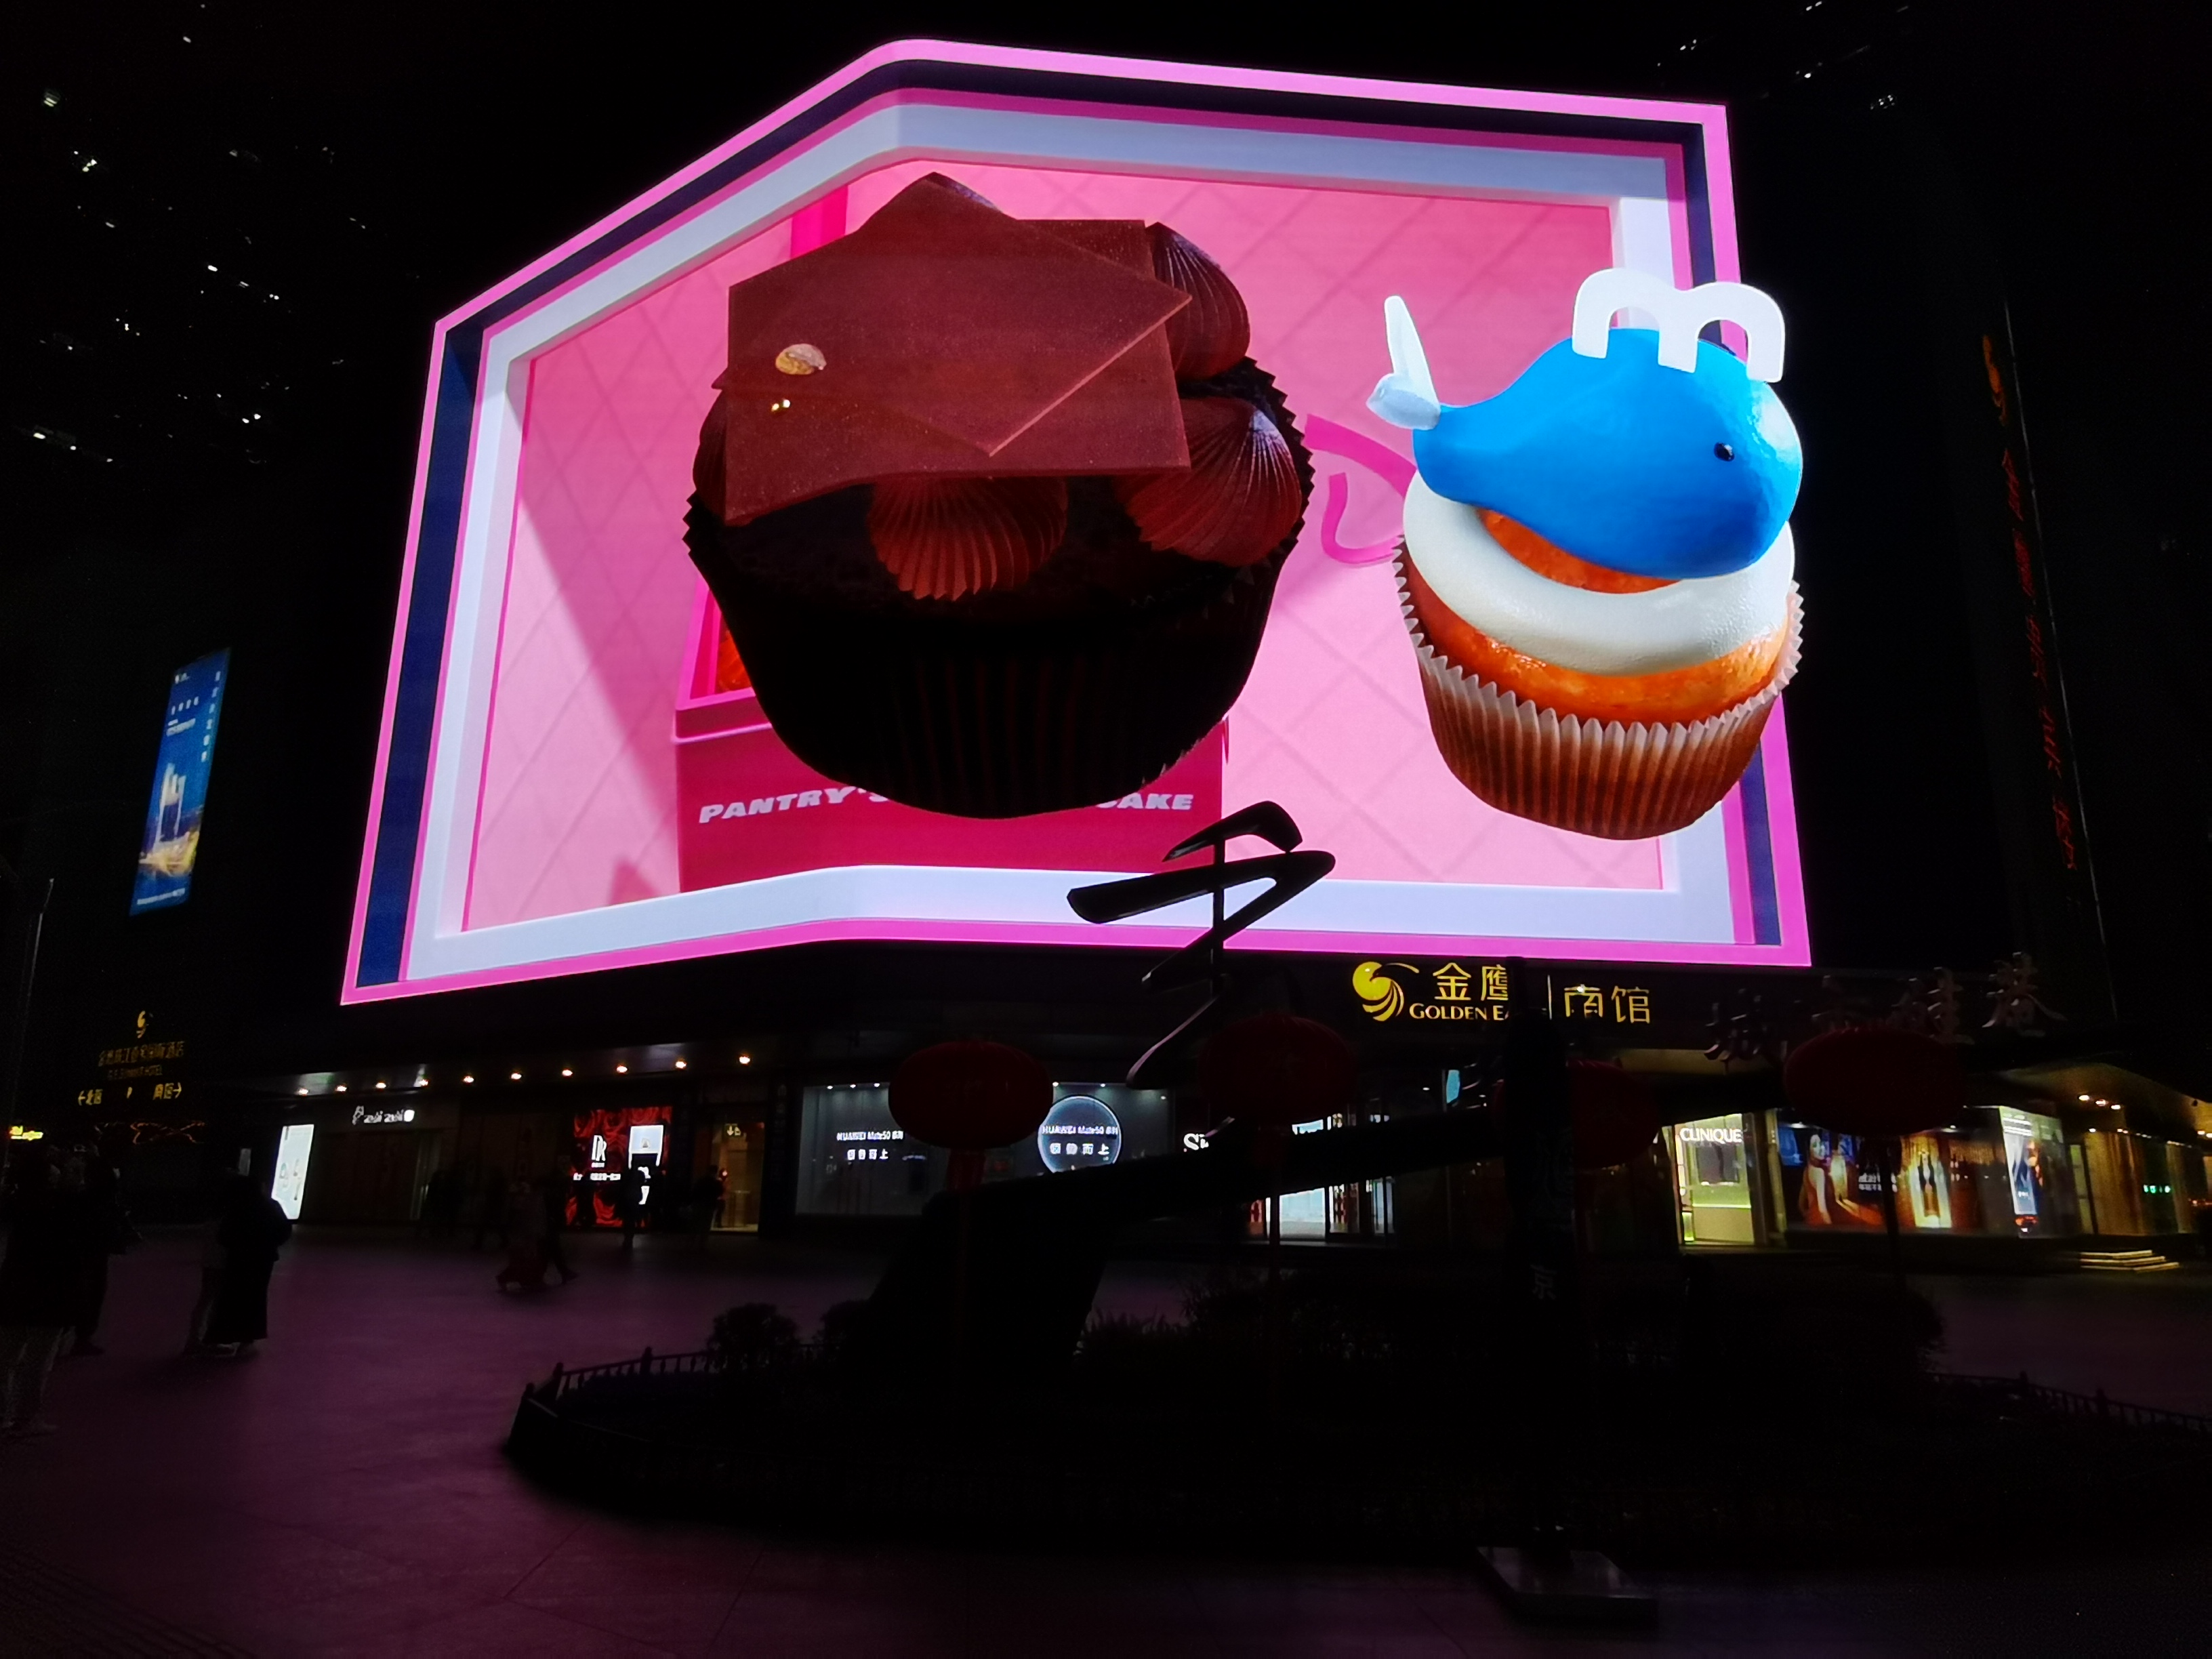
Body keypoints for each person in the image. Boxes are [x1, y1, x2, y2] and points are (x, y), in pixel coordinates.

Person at [1, 1147, 77, 1436]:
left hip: (14, 1286)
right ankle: (26, 1418)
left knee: (6, 1356)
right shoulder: (62, 1207)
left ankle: (3, 1414)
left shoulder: (17, 1203)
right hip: (49, 1291)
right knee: (38, 1360)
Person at [204, 1174, 293, 1357]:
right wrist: (270, 1245)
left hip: (238, 1258)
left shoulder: (238, 1207)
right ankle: (247, 1341)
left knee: (231, 1297)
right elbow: (284, 1230)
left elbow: (224, 1235)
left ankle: (221, 1338)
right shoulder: (271, 1206)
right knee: (256, 1299)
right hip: (263, 1259)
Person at [69, 1149, 126, 1357]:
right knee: (92, 1293)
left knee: (84, 1292)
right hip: (95, 1250)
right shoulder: (107, 1198)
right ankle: (82, 1337)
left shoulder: (80, 1198)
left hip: (82, 1250)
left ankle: (70, 1336)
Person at [536, 1168, 577, 1285]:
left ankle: (560, 1273)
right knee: (551, 1249)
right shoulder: (556, 1194)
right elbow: (555, 1210)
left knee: (550, 1250)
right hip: (549, 1225)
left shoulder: (548, 1193)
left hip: (548, 1225)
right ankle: (562, 1272)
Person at [617, 1161, 647, 1252]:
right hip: (634, 1199)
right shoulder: (639, 1174)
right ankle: (629, 1238)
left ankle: (628, 1238)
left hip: (628, 1199)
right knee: (631, 1220)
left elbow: (621, 1186)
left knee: (628, 1220)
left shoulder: (627, 1175)